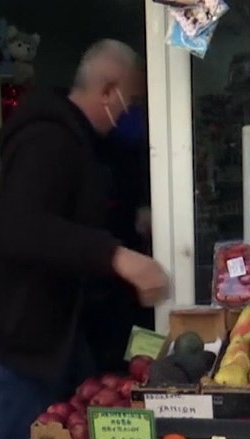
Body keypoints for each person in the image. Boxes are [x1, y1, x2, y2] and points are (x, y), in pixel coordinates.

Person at [0, 40, 169, 439]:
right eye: (134, 101)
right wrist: (116, 255)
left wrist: (132, 223)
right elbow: (23, 227)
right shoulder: (49, 139)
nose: (134, 112)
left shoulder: (88, 143)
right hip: (27, 336)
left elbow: (77, 218)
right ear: (110, 91)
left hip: (66, 333)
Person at [86, 101, 154, 374]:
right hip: (116, 262)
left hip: (125, 255)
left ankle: (130, 373)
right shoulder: (112, 143)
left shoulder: (118, 135)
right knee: (121, 332)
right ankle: (126, 375)